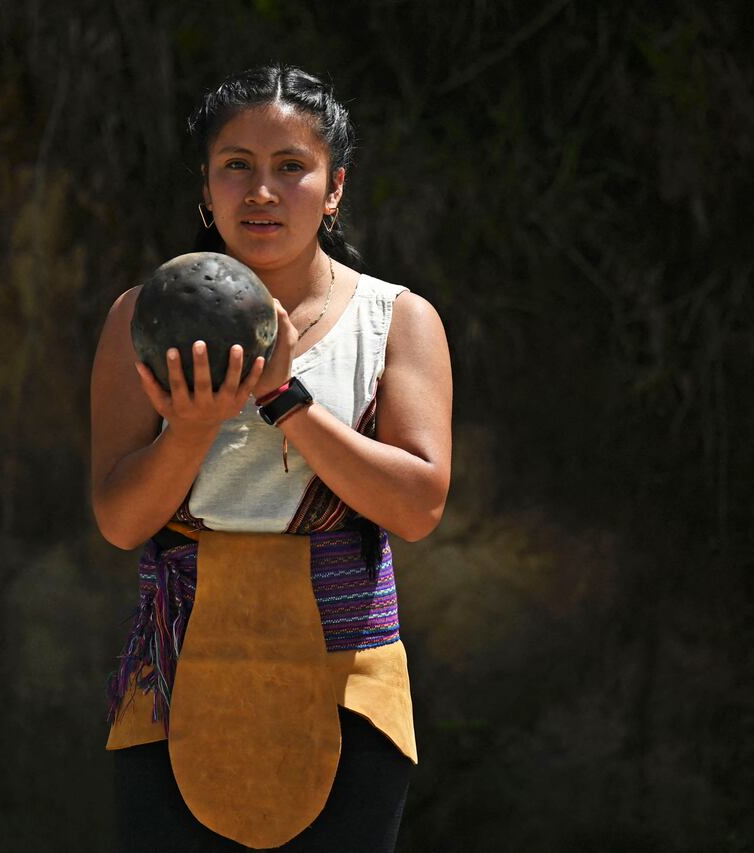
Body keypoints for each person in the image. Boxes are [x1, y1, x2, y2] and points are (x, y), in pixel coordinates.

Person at [90, 64, 452, 852]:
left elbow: (419, 505)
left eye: (291, 166)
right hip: (177, 682)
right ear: (205, 186)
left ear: (334, 187)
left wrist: (285, 398)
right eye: (236, 165)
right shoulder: (141, 319)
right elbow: (119, 521)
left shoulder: (396, 320)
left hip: (348, 687)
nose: (262, 191)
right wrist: (190, 429)